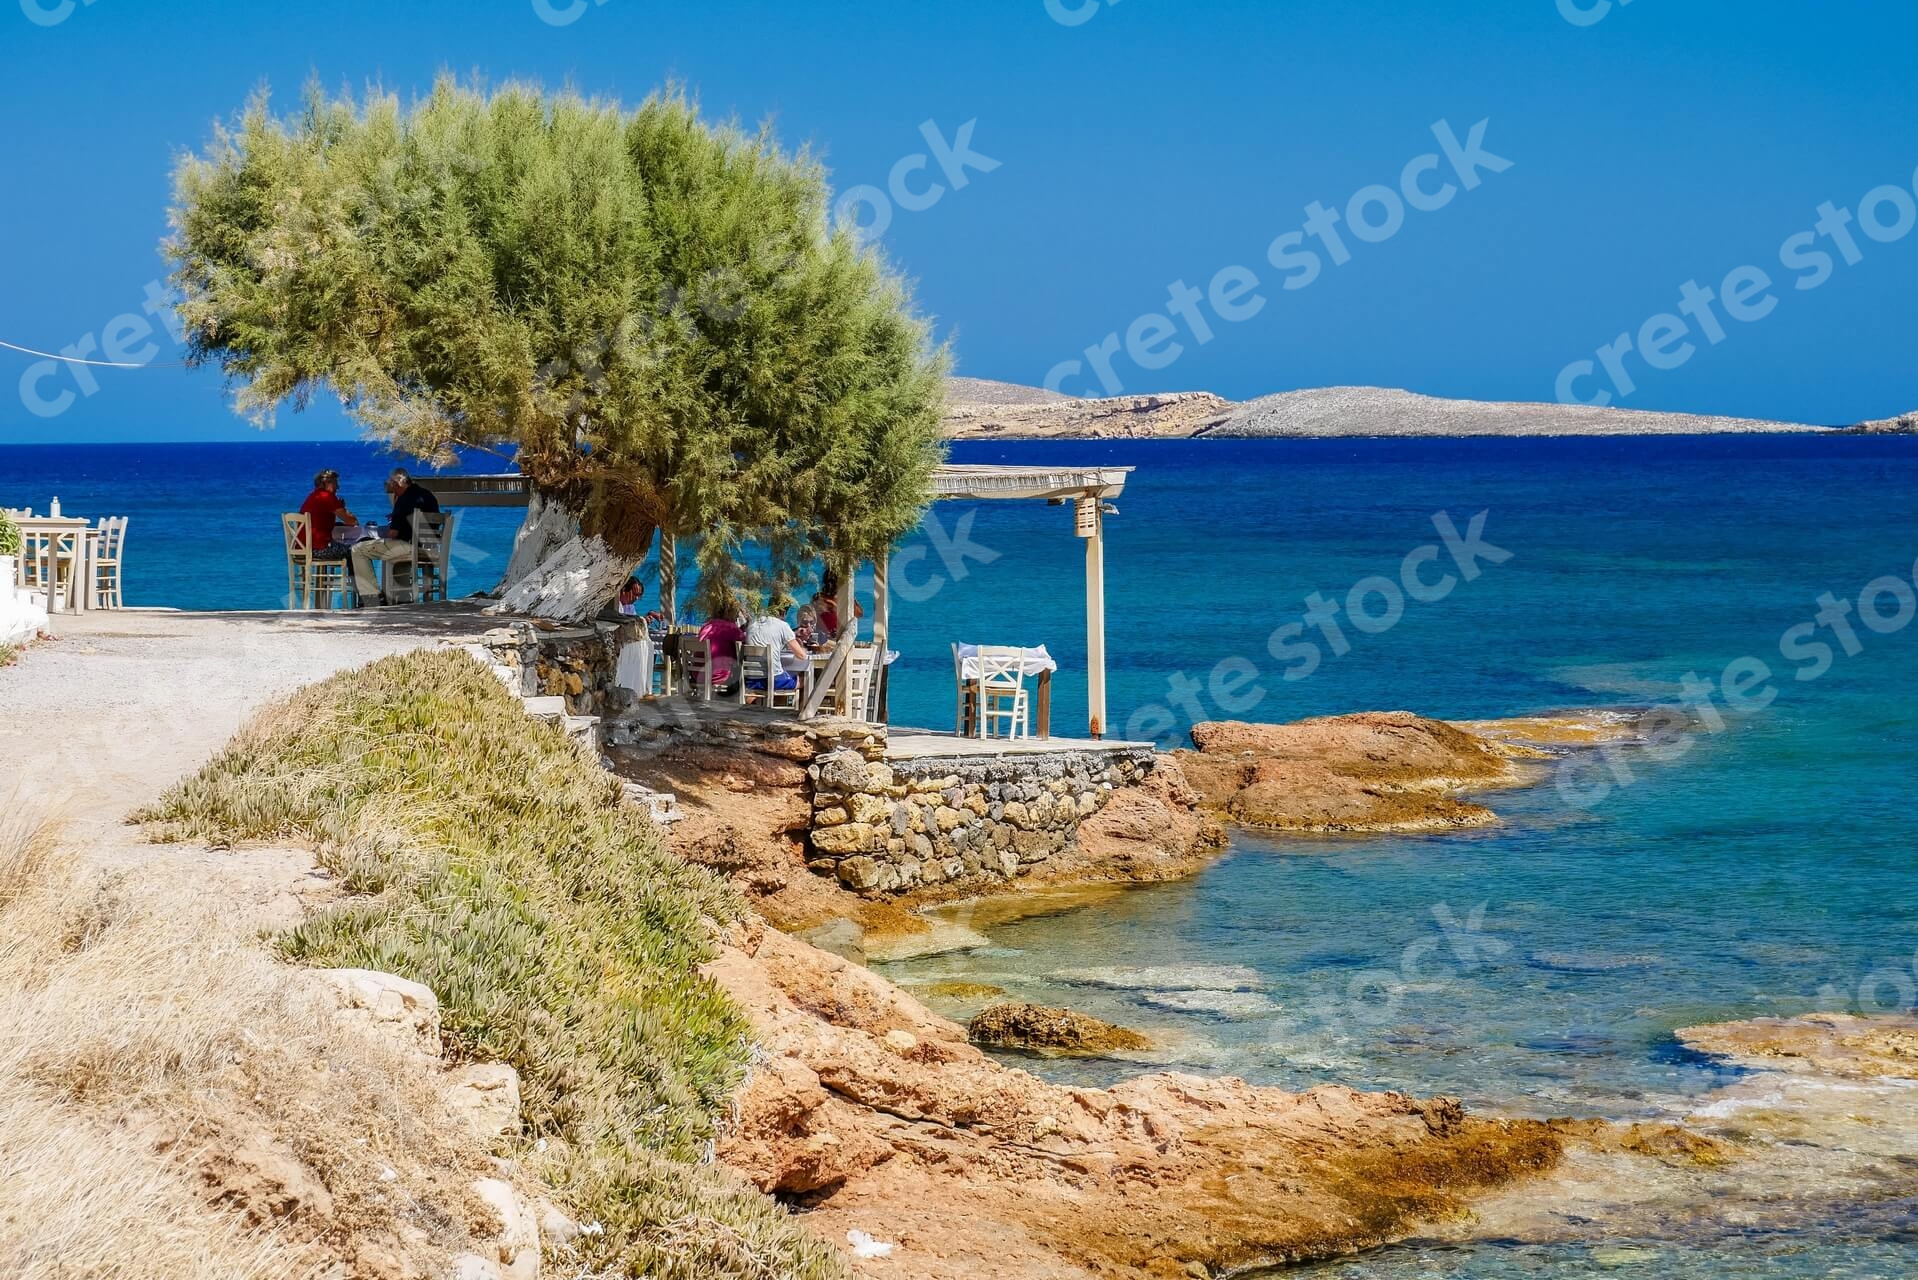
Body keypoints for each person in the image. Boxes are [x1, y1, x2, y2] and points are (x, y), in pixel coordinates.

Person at [351, 468, 441, 605]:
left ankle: (371, 597)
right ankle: (402, 598)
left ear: (397, 484)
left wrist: (394, 513)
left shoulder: (404, 499)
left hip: (410, 547)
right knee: (394, 553)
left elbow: (393, 534)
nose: (392, 490)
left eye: (392, 486)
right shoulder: (428, 495)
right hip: (429, 548)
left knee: (358, 549)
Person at [744, 603, 811, 691]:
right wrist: (803, 648)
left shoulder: (753, 623)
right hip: (773, 680)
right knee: (805, 678)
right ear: (783, 612)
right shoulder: (782, 625)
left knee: (784, 675)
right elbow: (801, 656)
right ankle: (805, 705)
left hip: (751, 680)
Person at [298, 469, 356, 559]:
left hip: (302, 549)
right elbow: (352, 521)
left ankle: (353, 574)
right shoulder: (328, 497)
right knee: (356, 550)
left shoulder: (313, 496)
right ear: (328, 483)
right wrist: (343, 508)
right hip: (319, 550)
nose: (338, 487)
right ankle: (356, 574)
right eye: (336, 483)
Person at [698, 603, 745, 691]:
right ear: (730, 613)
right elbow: (744, 642)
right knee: (741, 673)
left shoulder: (706, 626)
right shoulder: (731, 628)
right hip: (718, 675)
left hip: (698, 673)